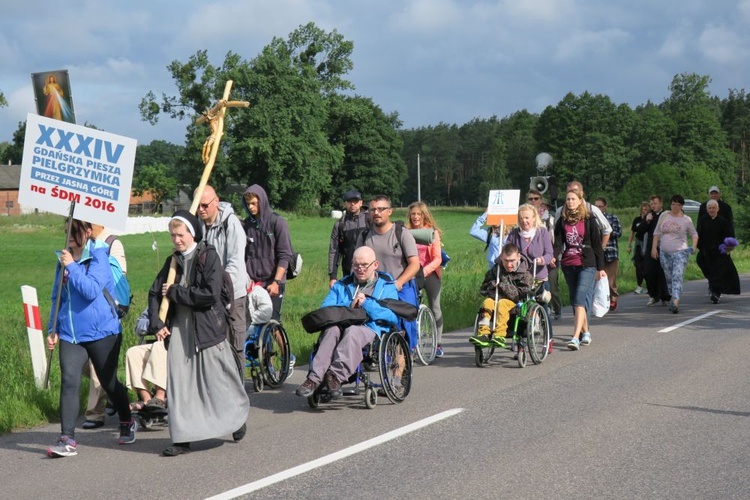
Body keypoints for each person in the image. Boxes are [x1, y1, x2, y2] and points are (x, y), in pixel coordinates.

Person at [148, 211, 249, 457]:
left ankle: (236, 419)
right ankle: (182, 439)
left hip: (207, 329)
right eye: (172, 235)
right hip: (180, 331)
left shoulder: (208, 256)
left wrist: (176, 292)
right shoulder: (172, 262)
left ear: (191, 233)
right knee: (180, 386)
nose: (176, 240)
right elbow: (154, 293)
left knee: (219, 382)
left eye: (180, 235)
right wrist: (157, 322)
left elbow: (209, 295)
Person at [45, 219, 136, 458]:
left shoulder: (99, 256)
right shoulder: (62, 259)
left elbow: (91, 290)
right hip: (71, 333)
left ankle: (126, 419)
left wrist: (72, 267)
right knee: (69, 381)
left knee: (108, 382)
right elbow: (57, 298)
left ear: (87, 232)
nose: (70, 236)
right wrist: (51, 328)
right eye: (67, 231)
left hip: (101, 332)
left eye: (75, 231)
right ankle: (67, 438)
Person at [296, 246, 399, 398]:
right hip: (340, 324)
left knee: (353, 331)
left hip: (369, 327)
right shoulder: (341, 285)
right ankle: (313, 379)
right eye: (356, 265)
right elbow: (326, 310)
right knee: (331, 330)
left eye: (364, 265)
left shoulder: (386, 285)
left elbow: (392, 316)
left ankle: (334, 376)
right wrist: (349, 307)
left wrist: (366, 304)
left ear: (375, 265)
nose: (360, 269)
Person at [197, 185, 249, 377]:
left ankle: (238, 389)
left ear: (216, 202)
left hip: (233, 293)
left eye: (205, 205)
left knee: (235, 342)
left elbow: (235, 262)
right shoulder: (198, 226)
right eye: (198, 206)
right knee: (214, 344)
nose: (201, 209)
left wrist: (221, 291)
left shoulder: (231, 224)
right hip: (209, 294)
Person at [357, 195, 421, 349]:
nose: (376, 213)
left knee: (406, 319)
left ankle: (405, 353)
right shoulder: (364, 236)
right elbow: (358, 263)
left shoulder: (401, 233)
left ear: (390, 211)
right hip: (374, 287)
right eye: (373, 210)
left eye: (381, 209)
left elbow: (414, 264)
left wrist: (399, 283)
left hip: (400, 285)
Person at [81, 224, 127, 430]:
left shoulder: (112, 243)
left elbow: (117, 278)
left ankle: (95, 413)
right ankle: (115, 392)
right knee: (85, 364)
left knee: (95, 365)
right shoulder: (82, 241)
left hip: (104, 312)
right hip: (83, 313)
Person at [553, 189, 605, 350]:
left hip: (587, 264)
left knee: (579, 299)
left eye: (573, 199)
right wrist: (554, 256)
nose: (570, 202)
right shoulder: (562, 221)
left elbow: (597, 245)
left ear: (580, 200)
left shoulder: (589, 219)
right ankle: (586, 332)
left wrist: (600, 268)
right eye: (567, 199)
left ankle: (575, 337)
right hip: (569, 264)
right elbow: (558, 243)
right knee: (576, 299)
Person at [242, 184, 293, 321]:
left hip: (273, 281)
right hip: (253, 283)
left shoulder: (277, 222)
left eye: (254, 203)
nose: (251, 207)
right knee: (251, 321)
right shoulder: (246, 225)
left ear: (262, 201)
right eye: (248, 204)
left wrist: (276, 282)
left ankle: (285, 343)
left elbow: (284, 255)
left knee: (272, 320)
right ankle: (261, 344)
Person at [469, 243, 533, 349]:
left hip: (516, 305)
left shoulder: (525, 274)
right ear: (501, 258)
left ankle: (499, 335)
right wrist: (491, 286)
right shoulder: (496, 270)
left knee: (502, 303)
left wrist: (502, 284)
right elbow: (484, 288)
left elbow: (517, 295)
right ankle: (483, 333)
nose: (508, 264)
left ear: (518, 256)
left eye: (512, 261)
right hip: (496, 300)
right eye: (505, 260)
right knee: (487, 302)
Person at [407, 201, 445, 357]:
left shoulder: (432, 232)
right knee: (410, 309)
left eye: (419, 214)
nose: (416, 217)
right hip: (412, 273)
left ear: (424, 215)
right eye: (413, 214)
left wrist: (425, 271)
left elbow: (437, 258)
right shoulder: (406, 232)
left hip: (429, 273)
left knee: (435, 308)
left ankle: (438, 344)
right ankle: (412, 344)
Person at [652, 195, 699, 314]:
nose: (675, 207)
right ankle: (674, 296)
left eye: (678, 204)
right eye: (673, 204)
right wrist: (654, 249)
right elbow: (656, 233)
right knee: (669, 277)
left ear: (682, 206)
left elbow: (694, 234)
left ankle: (675, 302)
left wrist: (693, 246)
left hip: (680, 252)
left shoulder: (686, 219)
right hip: (664, 251)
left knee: (677, 276)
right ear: (670, 204)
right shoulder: (664, 216)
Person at [696, 199, 741, 303]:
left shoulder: (723, 221)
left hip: (719, 253)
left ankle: (715, 293)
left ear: (718, 209)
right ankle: (713, 288)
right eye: (709, 208)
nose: (711, 210)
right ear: (707, 209)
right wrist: (700, 248)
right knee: (704, 266)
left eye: (713, 208)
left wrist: (727, 248)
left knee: (719, 272)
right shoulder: (703, 220)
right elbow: (698, 235)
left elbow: (730, 237)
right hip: (706, 252)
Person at [527, 189, 562, 319]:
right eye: (530, 199)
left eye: (536, 198)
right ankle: (540, 313)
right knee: (534, 286)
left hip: (550, 255)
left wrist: (553, 255)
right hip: (533, 258)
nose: (533, 201)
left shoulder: (549, 217)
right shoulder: (526, 217)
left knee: (551, 285)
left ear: (540, 200)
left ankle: (557, 308)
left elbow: (555, 237)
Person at [124, 309, 167, 412]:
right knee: (133, 352)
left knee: (158, 346)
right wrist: (155, 324)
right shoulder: (155, 303)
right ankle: (147, 399)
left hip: (176, 346)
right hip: (159, 344)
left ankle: (160, 397)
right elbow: (139, 326)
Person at [328, 189, 369, 288]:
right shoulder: (340, 225)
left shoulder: (369, 220)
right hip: (349, 271)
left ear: (361, 203)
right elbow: (334, 250)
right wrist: (333, 276)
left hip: (369, 270)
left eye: (356, 201)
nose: (353, 204)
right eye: (350, 201)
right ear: (344, 204)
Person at [594, 197, 622, 311]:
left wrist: (606, 231)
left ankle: (613, 298)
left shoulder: (612, 217)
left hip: (610, 252)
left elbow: (618, 232)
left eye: (600, 206)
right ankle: (600, 301)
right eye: (596, 206)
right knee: (598, 279)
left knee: (610, 280)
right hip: (597, 253)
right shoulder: (591, 218)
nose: (599, 208)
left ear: (605, 207)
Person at [643, 195, 671, 307]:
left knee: (663, 273)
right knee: (648, 272)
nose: (653, 206)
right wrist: (646, 221)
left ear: (661, 204)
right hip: (651, 248)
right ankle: (654, 295)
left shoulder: (667, 215)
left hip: (664, 247)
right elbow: (639, 231)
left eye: (655, 203)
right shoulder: (650, 216)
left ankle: (665, 296)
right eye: (651, 204)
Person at [628, 202, 651, 294]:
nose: (644, 211)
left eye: (646, 209)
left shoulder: (649, 219)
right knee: (638, 265)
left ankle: (650, 285)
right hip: (638, 243)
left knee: (646, 266)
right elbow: (632, 232)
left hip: (647, 244)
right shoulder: (637, 220)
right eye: (642, 209)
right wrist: (629, 245)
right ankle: (639, 285)